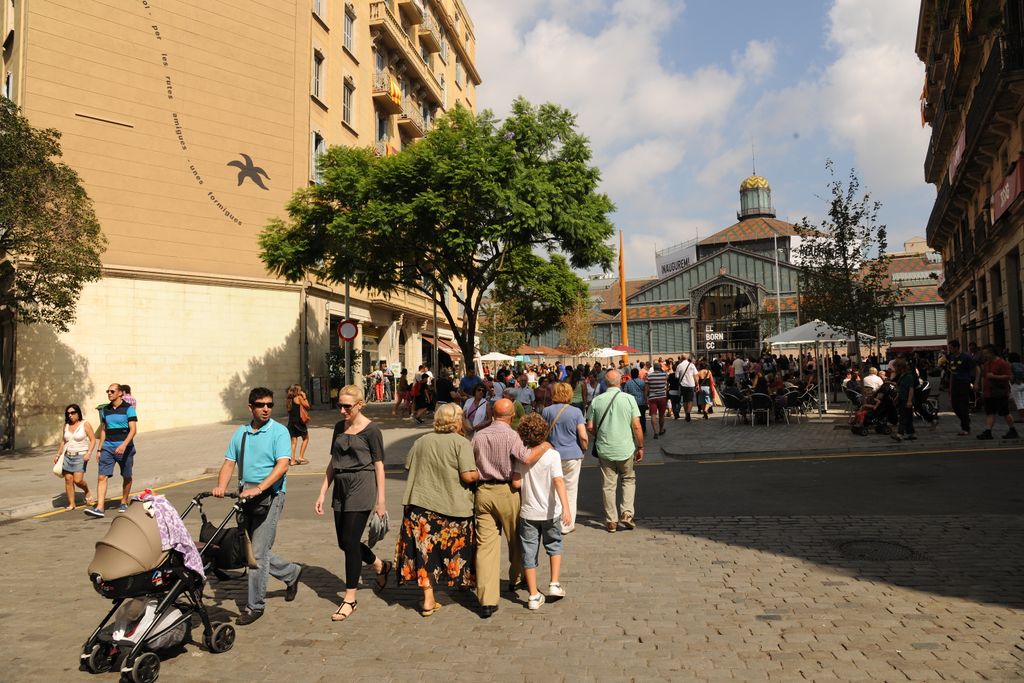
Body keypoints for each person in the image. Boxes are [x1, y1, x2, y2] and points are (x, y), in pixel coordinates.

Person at [212, 387, 302, 625]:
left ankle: (255, 606)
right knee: (251, 551)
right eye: (261, 405)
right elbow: (229, 463)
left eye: (269, 405)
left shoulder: (279, 432)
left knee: (258, 554)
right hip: (246, 497)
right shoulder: (240, 434)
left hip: (270, 496)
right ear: (250, 407)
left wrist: (260, 488)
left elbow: (283, 465)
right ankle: (292, 572)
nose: (266, 409)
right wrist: (221, 486)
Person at [314, 384, 390, 622]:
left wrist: (381, 500)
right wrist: (323, 491)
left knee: (350, 541)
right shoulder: (339, 427)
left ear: (359, 405)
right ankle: (379, 564)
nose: (343, 411)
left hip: (362, 486)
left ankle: (349, 599)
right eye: (340, 406)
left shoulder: (372, 430)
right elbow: (333, 461)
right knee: (344, 543)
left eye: (347, 406)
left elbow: (379, 465)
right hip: (341, 488)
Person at [395, 403, 479, 616]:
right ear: (458, 420)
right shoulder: (461, 443)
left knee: (425, 555)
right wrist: (482, 473)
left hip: (421, 507)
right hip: (453, 508)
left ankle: (428, 600)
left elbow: (408, 466)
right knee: (455, 551)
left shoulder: (422, 441)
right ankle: (460, 583)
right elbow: (468, 476)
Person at [471, 398, 550, 619]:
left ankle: (487, 600)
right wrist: (544, 445)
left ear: (492, 415)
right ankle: (516, 578)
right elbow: (525, 457)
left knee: (485, 546)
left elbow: (471, 461)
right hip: (507, 492)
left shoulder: (479, 435)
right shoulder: (511, 435)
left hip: (483, 491)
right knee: (516, 539)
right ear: (511, 416)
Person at [512, 414, 572, 610]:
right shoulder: (552, 454)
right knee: (554, 545)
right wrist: (566, 506)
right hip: (550, 511)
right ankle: (554, 583)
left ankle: (533, 595)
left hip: (528, 511)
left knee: (529, 552)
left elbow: (516, 482)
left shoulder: (522, 456)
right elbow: (558, 481)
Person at [587, 369, 643, 533]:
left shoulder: (597, 401)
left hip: (605, 448)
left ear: (605, 383)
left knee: (608, 485)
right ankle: (626, 513)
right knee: (628, 480)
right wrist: (641, 446)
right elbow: (637, 425)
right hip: (625, 448)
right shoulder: (629, 399)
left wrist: (598, 434)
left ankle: (611, 520)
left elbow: (589, 425)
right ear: (620, 382)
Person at [85, 384, 138, 518]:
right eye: (107, 391)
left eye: (112, 391)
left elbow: (133, 430)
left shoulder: (129, 409)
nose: (109, 393)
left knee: (127, 476)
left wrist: (124, 445)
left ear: (120, 393)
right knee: (102, 476)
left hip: (125, 448)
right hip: (107, 447)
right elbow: (104, 430)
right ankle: (100, 507)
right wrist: (99, 449)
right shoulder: (105, 410)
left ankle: (124, 501)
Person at [542, 382, 587, 533]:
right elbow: (583, 436)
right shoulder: (576, 412)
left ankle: (555, 520)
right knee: (571, 489)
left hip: (552, 454)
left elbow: (542, 434)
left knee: (554, 488)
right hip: (573, 454)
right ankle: (567, 524)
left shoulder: (546, 411)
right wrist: (584, 449)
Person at [55, 403, 96, 511]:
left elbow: (92, 439)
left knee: (78, 481)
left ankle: (86, 490)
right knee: (68, 479)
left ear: (78, 413)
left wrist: (89, 452)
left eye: (73, 413)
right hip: (68, 455)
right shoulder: (66, 426)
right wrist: (58, 455)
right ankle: (71, 504)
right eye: (68, 413)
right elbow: (64, 441)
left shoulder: (85, 424)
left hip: (81, 455)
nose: (70, 415)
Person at [976, 345, 1019, 440]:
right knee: (990, 412)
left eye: (986, 353)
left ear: (992, 353)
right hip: (989, 392)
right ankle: (988, 432)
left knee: (1005, 412)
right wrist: (982, 390)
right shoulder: (987, 364)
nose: (984, 355)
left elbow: (1009, 377)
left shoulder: (1002, 363)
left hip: (1000, 392)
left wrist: (994, 376)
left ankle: (1013, 430)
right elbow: (985, 377)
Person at [946, 340, 975, 436]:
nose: (949, 349)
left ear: (956, 347)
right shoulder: (951, 357)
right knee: (954, 406)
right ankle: (965, 419)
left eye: (950, 347)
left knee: (963, 406)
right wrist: (950, 387)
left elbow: (976, 368)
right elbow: (951, 373)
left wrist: (975, 382)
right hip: (955, 384)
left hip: (964, 383)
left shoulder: (966, 357)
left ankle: (965, 428)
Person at [892, 359, 917, 442]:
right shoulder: (901, 376)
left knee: (903, 417)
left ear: (900, 367)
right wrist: (897, 397)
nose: (894, 369)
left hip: (906, 399)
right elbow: (900, 388)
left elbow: (911, 389)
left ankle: (900, 434)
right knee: (908, 417)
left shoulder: (909, 376)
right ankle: (911, 434)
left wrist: (909, 401)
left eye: (895, 367)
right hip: (901, 398)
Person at [286, 383, 310, 466]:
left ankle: (292, 461)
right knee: (306, 438)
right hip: (299, 423)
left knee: (293, 442)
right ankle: (301, 457)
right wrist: (304, 396)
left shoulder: (289, 399)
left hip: (291, 423)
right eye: (300, 390)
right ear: (297, 391)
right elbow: (307, 406)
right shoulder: (299, 398)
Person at [645, 361, 668, 438]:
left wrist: (646, 397)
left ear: (654, 368)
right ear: (660, 368)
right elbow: (667, 384)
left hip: (652, 398)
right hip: (662, 397)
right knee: (661, 415)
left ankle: (655, 432)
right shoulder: (664, 375)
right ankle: (661, 430)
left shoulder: (649, 376)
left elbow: (647, 389)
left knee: (653, 415)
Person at [622, 368, 647, 435]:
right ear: (638, 374)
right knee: (642, 417)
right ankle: (643, 430)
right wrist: (646, 401)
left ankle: (633, 431)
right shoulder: (642, 382)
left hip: (631, 403)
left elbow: (625, 392)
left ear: (631, 374)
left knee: (632, 418)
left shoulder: (628, 382)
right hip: (641, 402)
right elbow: (645, 392)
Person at [675, 353, 698, 421]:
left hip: (683, 384)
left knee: (685, 400)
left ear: (681, 358)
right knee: (690, 400)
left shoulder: (679, 365)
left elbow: (676, 376)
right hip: (691, 384)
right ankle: (688, 413)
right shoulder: (692, 365)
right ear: (688, 358)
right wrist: (697, 384)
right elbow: (695, 375)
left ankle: (686, 414)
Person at [1009, 351, 1024, 424]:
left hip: (1015, 385)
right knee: (1022, 401)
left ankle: (1022, 418)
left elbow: (1011, 376)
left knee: (1018, 403)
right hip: (1022, 384)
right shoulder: (1021, 365)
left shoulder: (1011, 365)